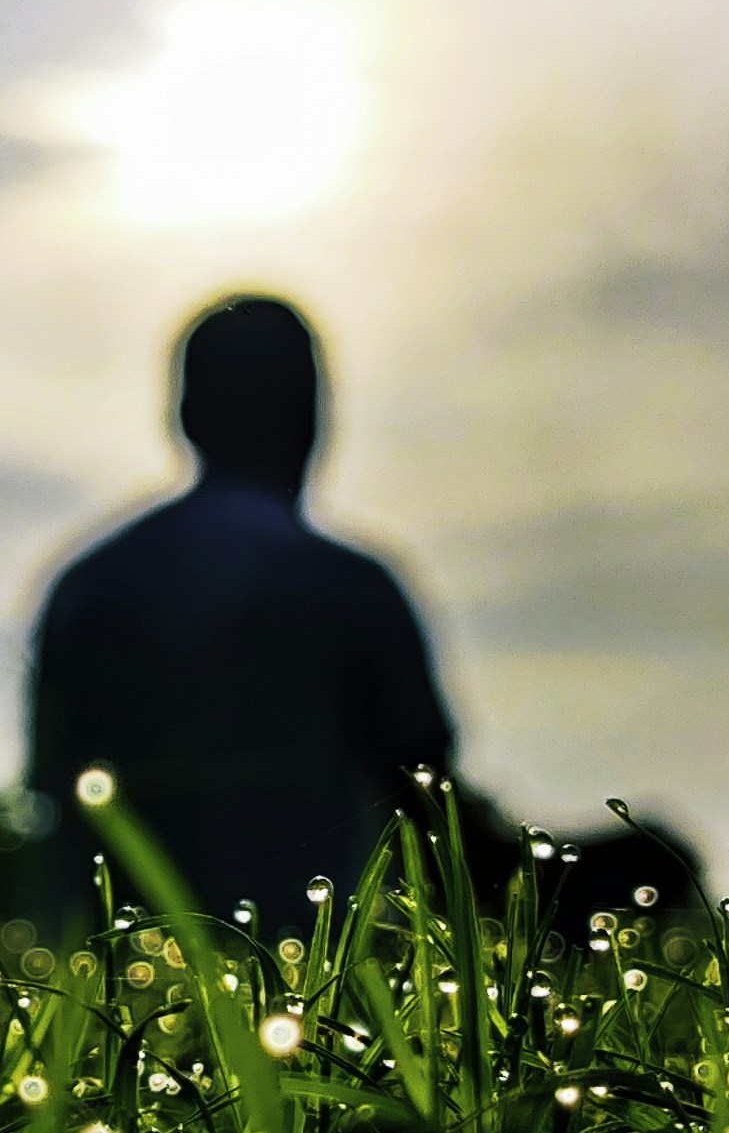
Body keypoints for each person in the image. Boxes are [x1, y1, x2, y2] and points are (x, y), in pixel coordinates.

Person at [27, 295, 455, 921]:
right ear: (313, 417)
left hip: (112, 978)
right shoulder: (351, 587)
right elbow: (434, 817)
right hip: (311, 979)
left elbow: (48, 797)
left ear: (184, 415)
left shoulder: (86, 586)